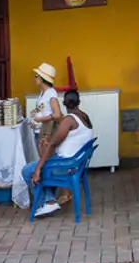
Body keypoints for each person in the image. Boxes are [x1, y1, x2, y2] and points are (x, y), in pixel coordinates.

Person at [23, 90, 95, 218]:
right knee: (46, 166)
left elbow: (53, 145)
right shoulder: (84, 117)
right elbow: (69, 138)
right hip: (77, 164)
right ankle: (50, 200)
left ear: (63, 103)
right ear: (79, 102)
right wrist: (50, 140)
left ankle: (47, 201)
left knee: (27, 170)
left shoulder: (69, 120)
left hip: (66, 166)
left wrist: (38, 168)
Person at [31, 62, 70, 206]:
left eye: (36, 76)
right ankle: (53, 194)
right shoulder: (44, 93)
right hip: (40, 130)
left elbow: (57, 114)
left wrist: (41, 119)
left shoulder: (51, 94)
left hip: (46, 132)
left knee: (49, 163)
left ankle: (64, 193)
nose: (34, 78)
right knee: (48, 163)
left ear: (42, 78)